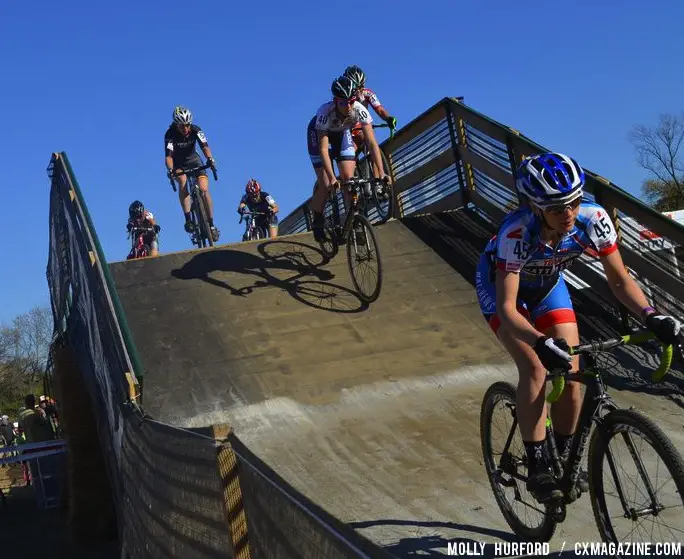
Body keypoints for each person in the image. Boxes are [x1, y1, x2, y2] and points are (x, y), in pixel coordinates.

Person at [475, 152, 682, 503]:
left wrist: (650, 315)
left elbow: (619, 281)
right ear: (537, 207)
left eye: (573, 202)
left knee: (573, 374)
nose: (568, 213)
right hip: (504, 293)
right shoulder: (516, 231)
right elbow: (509, 309)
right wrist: (540, 342)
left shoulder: (593, 218)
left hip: (548, 286)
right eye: (557, 208)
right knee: (536, 367)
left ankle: (563, 455)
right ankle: (538, 462)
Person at [307, 75, 390, 241]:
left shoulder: (359, 109)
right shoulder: (325, 112)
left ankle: (354, 223)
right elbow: (323, 149)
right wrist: (331, 178)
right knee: (325, 184)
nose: (349, 106)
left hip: (342, 134)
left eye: (352, 101)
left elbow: (372, 144)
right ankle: (317, 217)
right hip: (319, 136)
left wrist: (381, 173)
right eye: (344, 103)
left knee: (349, 180)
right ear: (336, 101)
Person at [164, 105, 219, 241]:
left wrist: (210, 159)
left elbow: (204, 146)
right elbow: (169, 157)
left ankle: (211, 225)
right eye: (182, 126)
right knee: (182, 181)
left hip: (195, 161)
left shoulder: (196, 130)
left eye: (187, 125)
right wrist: (171, 170)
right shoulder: (170, 134)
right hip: (179, 164)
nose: (185, 128)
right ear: (176, 125)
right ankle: (188, 218)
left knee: (205, 191)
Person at [343, 65, 397, 157]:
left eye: (362, 85)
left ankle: (378, 171)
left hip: (362, 126)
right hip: (347, 129)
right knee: (350, 156)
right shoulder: (343, 98)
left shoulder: (367, 93)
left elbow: (380, 110)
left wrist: (388, 118)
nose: (360, 90)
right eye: (357, 87)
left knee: (372, 147)